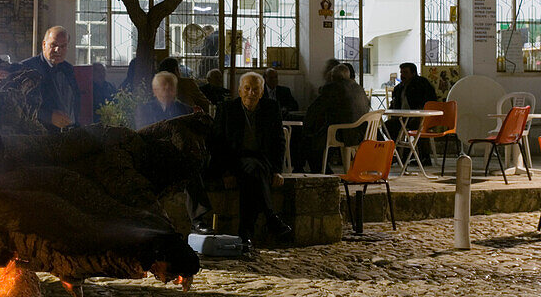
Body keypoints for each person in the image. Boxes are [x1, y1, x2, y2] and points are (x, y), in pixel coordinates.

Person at [211, 72, 293, 253]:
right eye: (247, 88)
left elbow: (279, 142)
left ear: (262, 92)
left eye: (256, 89)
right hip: (235, 161)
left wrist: (277, 171)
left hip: (261, 161)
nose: (251, 93)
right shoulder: (227, 109)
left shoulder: (271, 108)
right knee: (254, 171)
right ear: (239, 91)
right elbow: (218, 144)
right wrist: (226, 172)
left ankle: (245, 234)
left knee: (254, 175)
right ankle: (270, 219)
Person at [135, 72, 213, 233]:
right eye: (163, 87)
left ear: (176, 90)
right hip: (157, 158)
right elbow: (145, 136)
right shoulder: (144, 110)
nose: (167, 90)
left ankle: (198, 220)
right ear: (155, 91)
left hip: (180, 159)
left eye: (171, 87)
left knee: (192, 170)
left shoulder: (185, 110)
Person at [301, 63, 371, 173]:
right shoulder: (359, 88)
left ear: (333, 78)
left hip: (343, 133)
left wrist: (306, 127)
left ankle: (321, 172)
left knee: (310, 142)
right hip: (362, 132)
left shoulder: (333, 87)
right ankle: (325, 170)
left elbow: (314, 110)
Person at [18, 26, 81, 130]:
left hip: (69, 133)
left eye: (63, 46)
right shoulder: (26, 68)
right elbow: (19, 104)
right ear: (44, 45)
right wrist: (48, 117)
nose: (58, 50)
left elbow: (75, 99)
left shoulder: (68, 68)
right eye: (54, 45)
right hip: (39, 135)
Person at [385, 62, 437, 163]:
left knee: (418, 124)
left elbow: (429, 102)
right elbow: (395, 105)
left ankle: (423, 156)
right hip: (403, 118)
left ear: (413, 73)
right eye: (401, 72)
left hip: (420, 117)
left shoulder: (422, 84)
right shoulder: (398, 88)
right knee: (387, 126)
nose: (402, 75)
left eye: (405, 72)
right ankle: (399, 153)